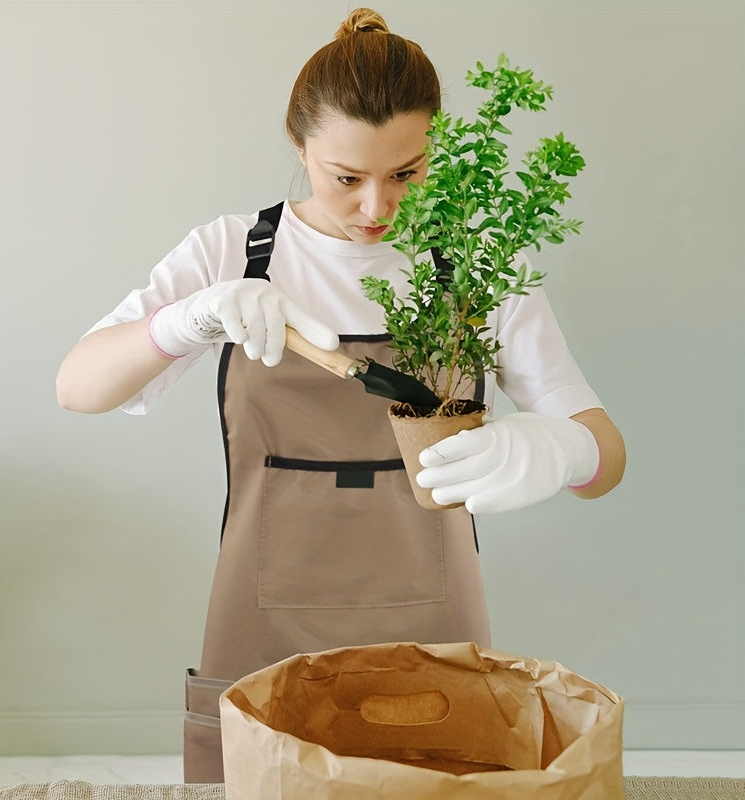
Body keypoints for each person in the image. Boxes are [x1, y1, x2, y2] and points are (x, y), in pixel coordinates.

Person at [56, 7, 625, 783]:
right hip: (263, 617)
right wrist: (187, 320)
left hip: (435, 624)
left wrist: (566, 449)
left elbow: (607, 460)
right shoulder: (235, 250)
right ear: (300, 146)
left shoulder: (478, 262)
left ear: (440, 151)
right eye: (346, 178)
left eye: (406, 174)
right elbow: (78, 387)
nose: (376, 210)